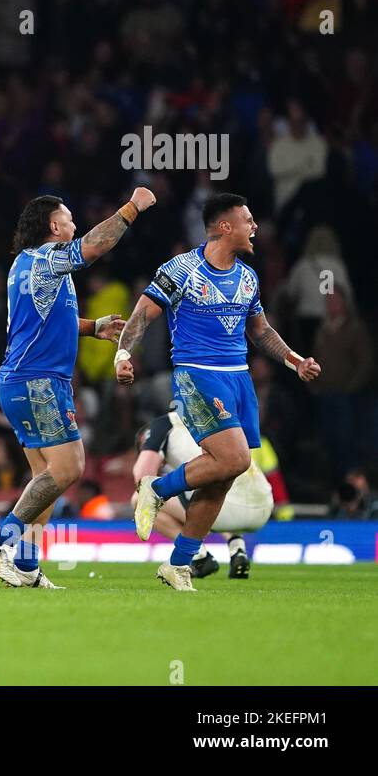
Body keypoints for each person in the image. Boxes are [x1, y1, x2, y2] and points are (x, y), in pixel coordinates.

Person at [117, 193, 321, 591]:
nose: (255, 227)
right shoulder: (182, 269)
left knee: (226, 474)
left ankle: (178, 564)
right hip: (198, 375)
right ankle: (156, 489)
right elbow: (142, 313)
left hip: (239, 379)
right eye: (248, 220)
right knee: (234, 456)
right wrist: (123, 353)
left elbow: (260, 331)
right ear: (225, 226)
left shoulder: (248, 277)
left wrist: (294, 360)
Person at [0, 188, 155, 589]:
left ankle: (26, 564)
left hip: (23, 378)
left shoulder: (27, 266)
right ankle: (1, 541)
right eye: (70, 219)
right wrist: (132, 208)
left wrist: (92, 328)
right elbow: (93, 247)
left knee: (45, 477)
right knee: (69, 466)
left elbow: (44, 321)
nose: (75, 225)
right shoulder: (46, 258)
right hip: (38, 380)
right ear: (54, 226)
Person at [132, 409, 272, 579]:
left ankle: (198, 555)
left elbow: (142, 476)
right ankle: (237, 547)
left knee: (141, 497)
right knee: (223, 485)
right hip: (265, 505)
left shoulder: (162, 425)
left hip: (225, 511)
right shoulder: (219, 416)